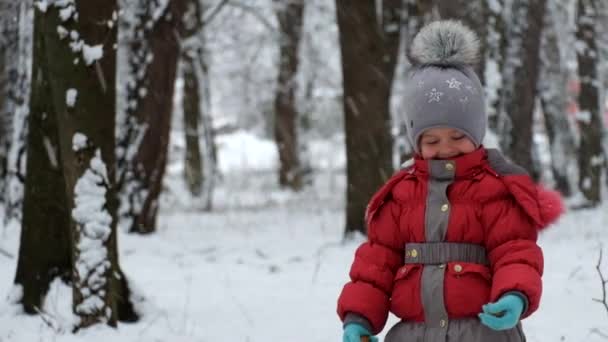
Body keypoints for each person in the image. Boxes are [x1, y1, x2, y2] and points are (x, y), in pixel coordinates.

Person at [337, 20, 564, 342]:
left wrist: (514, 295)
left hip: (483, 332)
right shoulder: (401, 194)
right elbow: (376, 264)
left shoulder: (495, 189)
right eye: (431, 141)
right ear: (416, 142)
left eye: (458, 136)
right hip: (414, 334)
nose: (445, 148)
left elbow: (515, 251)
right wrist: (358, 318)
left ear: (477, 132)